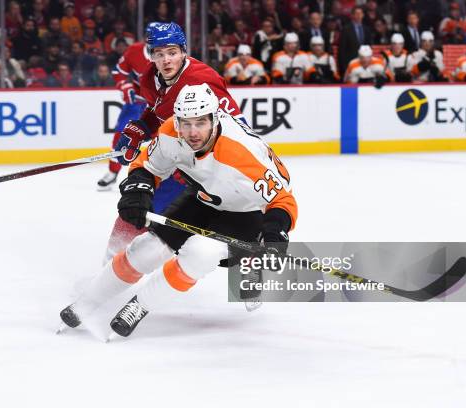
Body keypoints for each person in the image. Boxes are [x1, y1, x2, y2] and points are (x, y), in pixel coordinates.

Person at [58, 83, 297, 338]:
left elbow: (283, 200)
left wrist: (274, 233)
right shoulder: (171, 132)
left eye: (201, 123)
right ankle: (87, 303)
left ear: (215, 120)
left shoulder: (241, 154)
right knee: (146, 249)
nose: (193, 132)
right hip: (204, 198)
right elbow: (148, 166)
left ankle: (140, 306)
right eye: (187, 123)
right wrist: (138, 190)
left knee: (201, 253)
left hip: (246, 212)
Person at [102, 22, 245, 267]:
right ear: (152, 55)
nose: (166, 60)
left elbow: (237, 127)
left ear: (183, 52)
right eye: (159, 54)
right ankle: (109, 267)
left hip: (211, 166)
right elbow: (158, 107)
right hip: (173, 158)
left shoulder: (202, 81)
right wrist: (144, 126)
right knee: (135, 207)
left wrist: (201, 166)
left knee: (234, 226)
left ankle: (251, 273)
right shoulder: (149, 78)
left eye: (172, 52)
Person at [96, 23, 158, 191]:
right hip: (137, 102)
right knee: (121, 135)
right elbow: (118, 71)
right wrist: (124, 85)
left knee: (166, 140)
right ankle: (112, 172)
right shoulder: (134, 51)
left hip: (162, 104)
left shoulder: (170, 55)